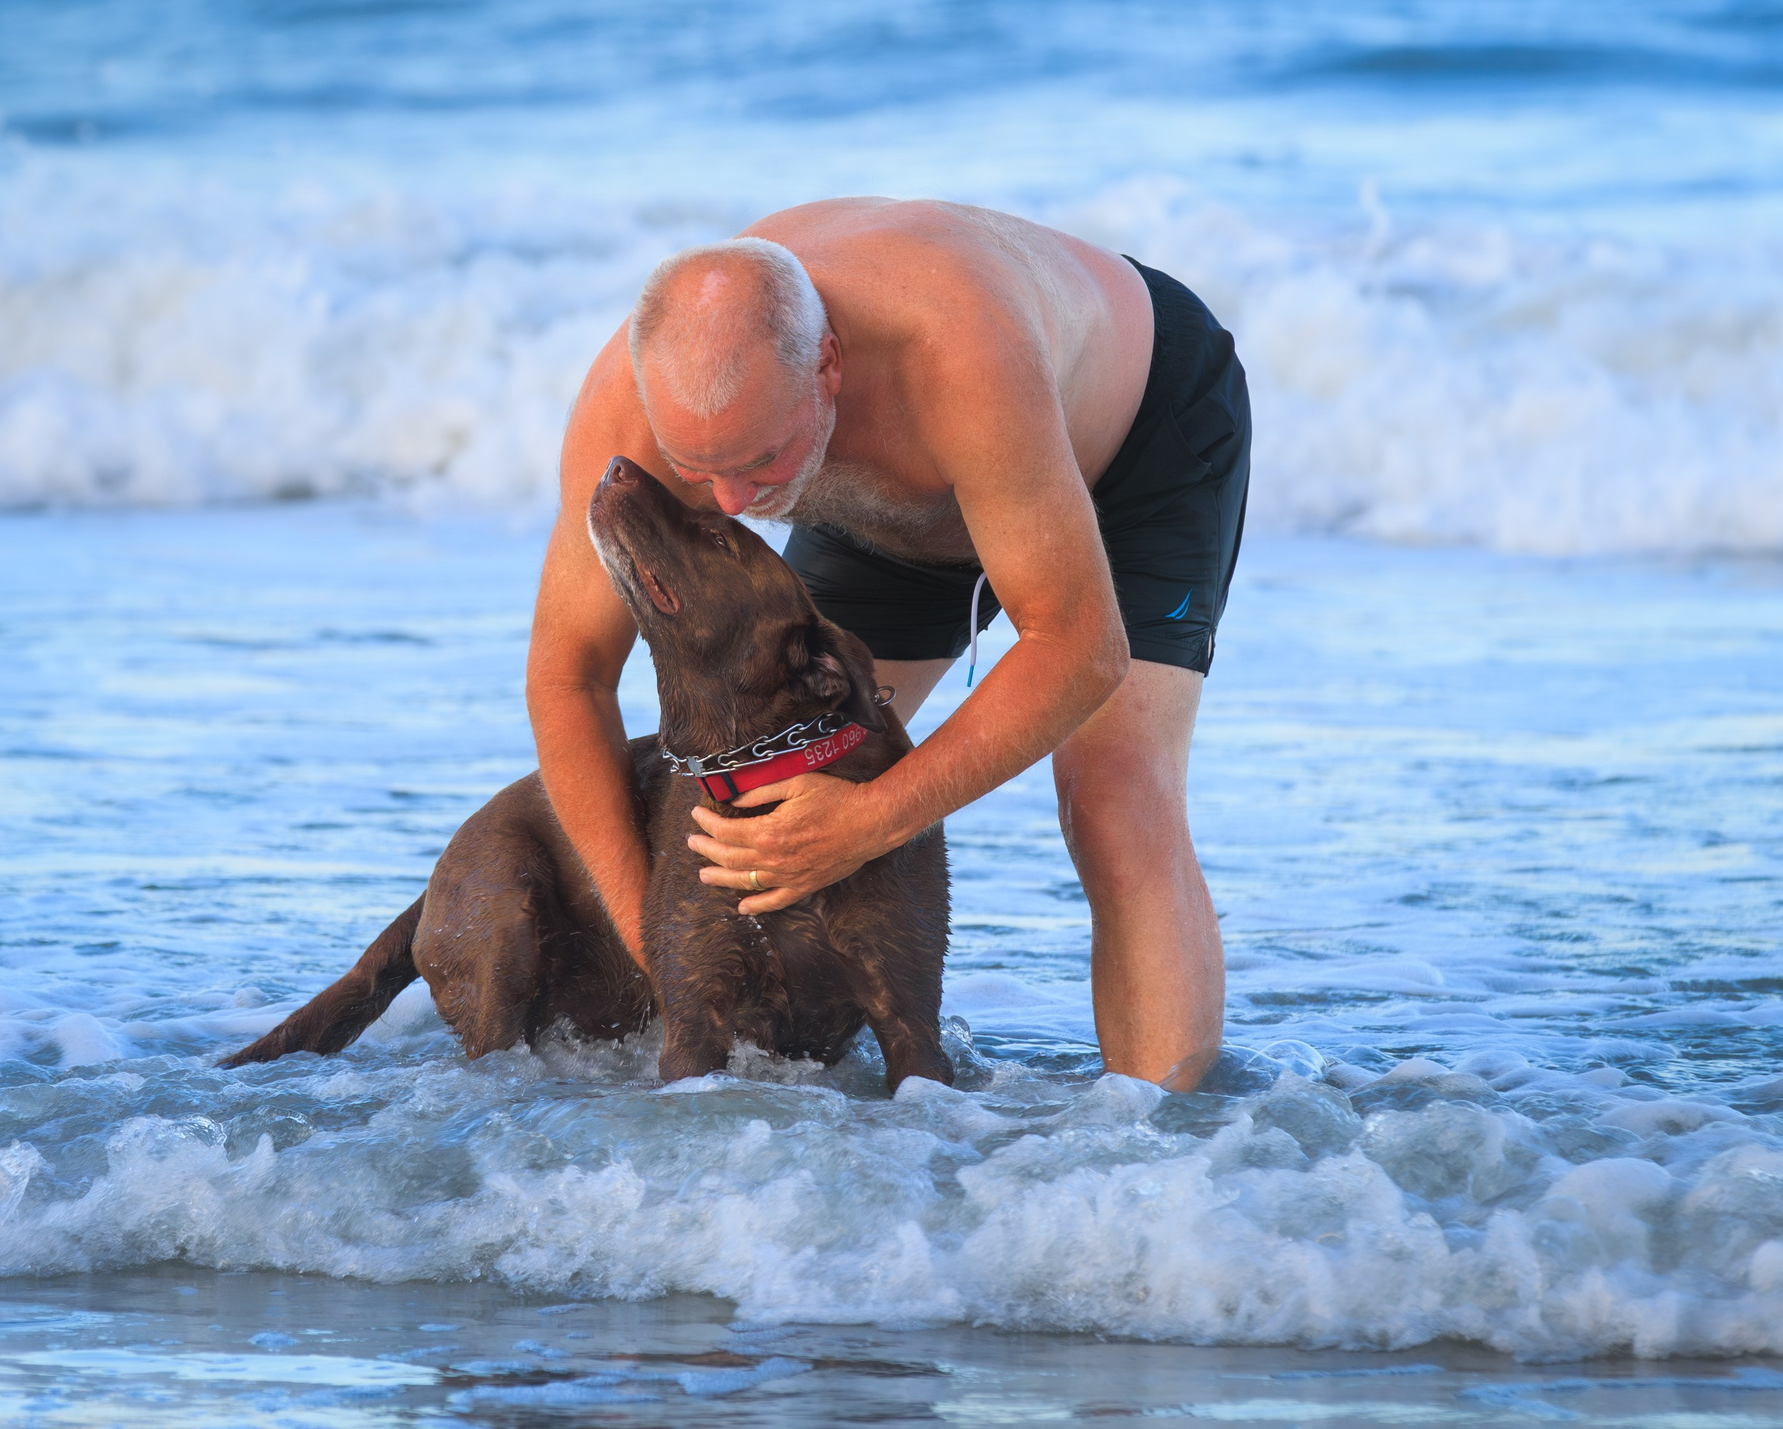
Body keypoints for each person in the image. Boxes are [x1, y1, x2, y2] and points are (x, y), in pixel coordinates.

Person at [525, 197, 1249, 1090]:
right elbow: (571, 679)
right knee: (782, 771)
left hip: (1135, 447)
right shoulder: (630, 414)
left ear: (826, 365)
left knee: (1112, 793)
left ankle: (1166, 1151)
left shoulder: (953, 350)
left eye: (760, 463)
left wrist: (875, 819)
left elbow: (1077, 644)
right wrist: (656, 942)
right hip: (890, 512)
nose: (733, 506)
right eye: (695, 471)